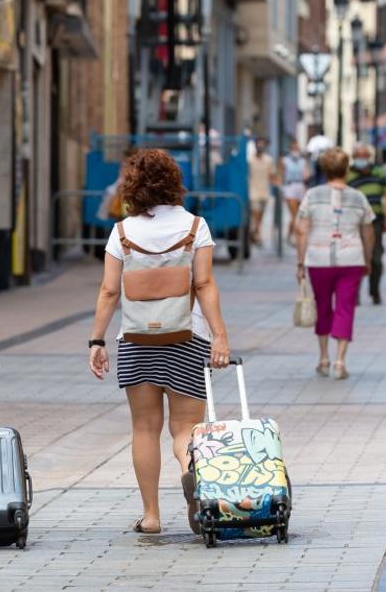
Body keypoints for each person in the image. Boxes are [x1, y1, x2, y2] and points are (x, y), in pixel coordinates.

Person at [87, 148, 231, 536]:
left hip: (136, 339)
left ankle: (151, 517)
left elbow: (107, 291)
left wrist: (97, 340)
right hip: (188, 337)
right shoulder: (194, 227)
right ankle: (191, 478)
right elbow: (203, 284)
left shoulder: (122, 233)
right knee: (185, 429)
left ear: (132, 186)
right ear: (174, 182)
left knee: (145, 428)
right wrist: (219, 335)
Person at [295, 148, 375, 380]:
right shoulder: (358, 197)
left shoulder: (312, 195)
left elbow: (301, 230)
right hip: (352, 259)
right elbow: (369, 232)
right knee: (345, 307)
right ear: (347, 169)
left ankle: (323, 358)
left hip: (318, 260)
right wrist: (367, 260)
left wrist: (300, 263)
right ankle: (340, 361)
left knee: (322, 306)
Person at [347, 144, 386, 305]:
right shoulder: (348, 174)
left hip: (375, 221)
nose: (362, 159)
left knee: (376, 258)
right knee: (355, 258)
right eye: (358, 156)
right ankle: (355, 294)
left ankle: (375, 291)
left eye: (365, 155)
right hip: (354, 222)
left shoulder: (378, 172)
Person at [247, 138, 277, 246]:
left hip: (264, 191)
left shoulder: (269, 160)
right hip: (253, 191)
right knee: (256, 213)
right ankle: (258, 235)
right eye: (258, 144)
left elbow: (272, 175)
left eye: (262, 144)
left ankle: (254, 232)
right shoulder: (250, 160)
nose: (260, 146)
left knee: (260, 216)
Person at [279, 139, 309, 245]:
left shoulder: (302, 161)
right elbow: (281, 175)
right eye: (293, 149)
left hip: (300, 186)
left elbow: (306, 175)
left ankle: (289, 234)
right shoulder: (284, 160)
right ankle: (295, 236)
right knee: (294, 215)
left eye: (297, 149)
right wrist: (282, 190)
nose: (295, 151)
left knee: (299, 214)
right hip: (290, 187)